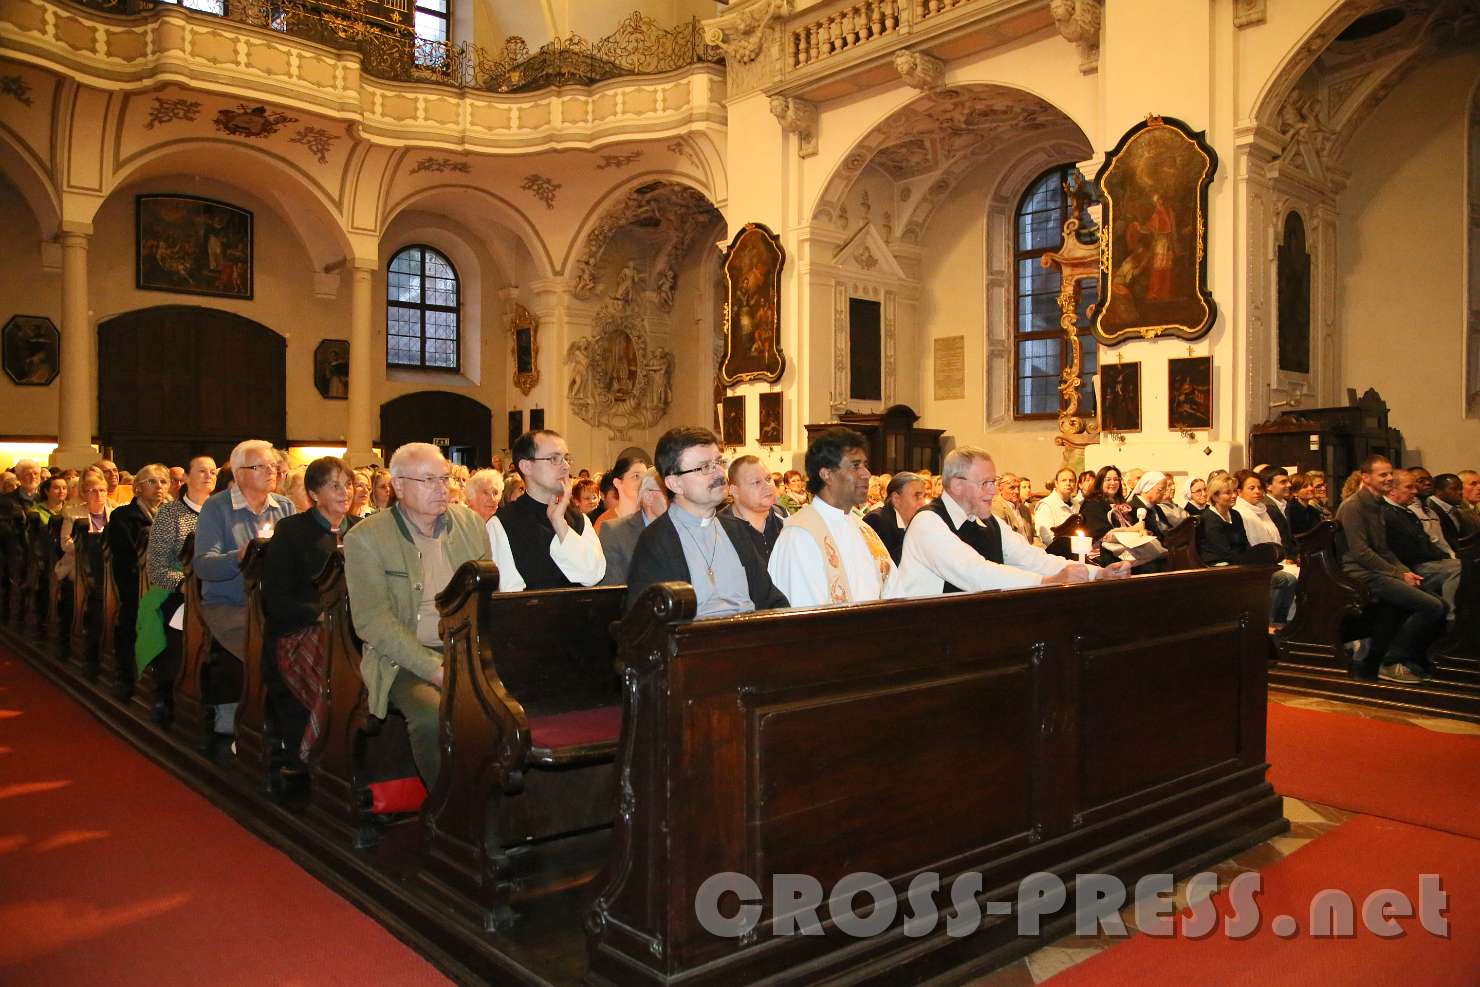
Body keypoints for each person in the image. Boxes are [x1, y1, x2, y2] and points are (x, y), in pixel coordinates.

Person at [344, 443, 490, 789]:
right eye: (428, 480)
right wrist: (434, 669)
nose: (441, 488)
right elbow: (372, 620)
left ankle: (502, 802)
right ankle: (452, 808)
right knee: (433, 715)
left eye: (444, 478)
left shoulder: (469, 523)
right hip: (403, 660)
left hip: (466, 650)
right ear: (398, 486)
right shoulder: (366, 538)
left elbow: (487, 599)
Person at [889, 447, 1123, 599]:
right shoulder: (928, 523)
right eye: (985, 483)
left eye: (994, 482)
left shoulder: (990, 523)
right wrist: (1045, 583)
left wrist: (1098, 574)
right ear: (957, 484)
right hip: (929, 638)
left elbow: (1033, 559)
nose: (993, 491)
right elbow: (974, 573)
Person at [194, 438, 296, 737]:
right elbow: (203, 564)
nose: (271, 472)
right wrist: (238, 557)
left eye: (273, 466)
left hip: (274, 603)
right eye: (260, 466)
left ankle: (295, 722)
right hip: (229, 603)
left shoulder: (285, 506)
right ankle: (246, 719)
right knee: (265, 646)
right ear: (239, 474)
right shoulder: (217, 507)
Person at [625, 428, 788, 616]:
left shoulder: (736, 530)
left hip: (750, 639)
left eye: (718, 462)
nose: (719, 473)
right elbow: (647, 624)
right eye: (704, 467)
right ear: (674, 483)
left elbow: (771, 600)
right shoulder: (656, 541)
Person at [262, 457, 359, 768]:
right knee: (332, 669)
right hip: (302, 630)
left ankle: (363, 758)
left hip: (357, 629)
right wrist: (322, 615)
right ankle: (314, 757)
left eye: (349, 484)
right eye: (335, 486)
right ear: (314, 494)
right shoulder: (292, 531)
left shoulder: (363, 530)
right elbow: (276, 599)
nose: (346, 492)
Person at [1335, 455, 1447, 684]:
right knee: (1432, 606)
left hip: (1378, 570)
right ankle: (1391, 660)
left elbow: (1384, 550)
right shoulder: (1354, 506)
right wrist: (1397, 574)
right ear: (1366, 478)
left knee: (1439, 603)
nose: (1388, 478)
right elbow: (1360, 552)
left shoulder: (1377, 505)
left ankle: (1407, 658)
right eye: (1382, 474)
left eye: (1390, 474)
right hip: (1360, 572)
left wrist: (1405, 572)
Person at [768, 428, 894, 606]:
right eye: (855, 465)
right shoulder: (799, 536)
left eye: (865, 465)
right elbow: (804, 615)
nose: (866, 474)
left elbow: (895, 591)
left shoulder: (864, 530)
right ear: (826, 474)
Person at [489, 430, 606, 591]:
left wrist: (560, 524)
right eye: (554, 459)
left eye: (566, 458)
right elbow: (509, 595)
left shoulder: (579, 519)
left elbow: (594, 575)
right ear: (526, 466)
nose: (565, 466)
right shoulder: (502, 524)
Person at [1198, 473, 1297, 625]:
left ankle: (1279, 621)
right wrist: (1250, 563)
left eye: (1234, 492)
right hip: (1219, 567)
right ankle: (1263, 623)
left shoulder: (1235, 515)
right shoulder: (1209, 518)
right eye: (1227, 493)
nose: (1233, 496)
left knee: (1287, 579)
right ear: (1215, 496)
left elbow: (1244, 543)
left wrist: (1255, 559)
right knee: (1274, 580)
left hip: (1239, 563)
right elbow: (1224, 551)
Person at [1384, 468, 1460, 616]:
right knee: (1458, 568)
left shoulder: (1406, 512)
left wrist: (1442, 556)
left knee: (1470, 564)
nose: (1414, 491)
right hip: (1409, 568)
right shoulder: (1386, 513)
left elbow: (1425, 542)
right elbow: (1404, 550)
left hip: (1425, 562)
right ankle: (1452, 618)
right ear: (1392, 490)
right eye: (1409, 487)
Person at [146, 456, 217, 595]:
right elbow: (157, 569)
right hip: (180, 593)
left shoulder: (223, 511)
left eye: (213, 472)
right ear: (186, 477)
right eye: (202, 471)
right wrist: (190, 585)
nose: (209, 476)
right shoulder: (169, 513)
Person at [598, 467, 668, 585]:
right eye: (669, 493)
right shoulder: (615, 533)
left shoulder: (684, 530)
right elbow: (614, 594)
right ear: (648, 497)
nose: (677, 498)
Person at [724, 455, 787, 564]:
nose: (767, 486)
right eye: (756, 482)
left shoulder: (783, 517)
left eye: (768, 479)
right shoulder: (721, 529)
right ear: (734, 490)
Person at [863, 471, 928, 565]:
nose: (923, 503)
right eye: (917, 496)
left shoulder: (920, 522)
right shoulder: (876, 521)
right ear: (896, 499)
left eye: (924, 496)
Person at [1232, 471, 1286, 557]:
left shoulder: (1263, 510)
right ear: (1239, 491)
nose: (1257, 491)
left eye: (1260, 488)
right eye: (1251, 488)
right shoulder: (1237, 512)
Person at [1257, 466, 1297, 559]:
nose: (1289, 485)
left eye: (1288, 481)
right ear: (1268, 486)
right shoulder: (1265, 507)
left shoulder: (1286, 505)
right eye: (1283, 482)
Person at [1033, 467, 1079, 547]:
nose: (1068, 483)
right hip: (1055, 552)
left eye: (1071, 480)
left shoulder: (1077, 504)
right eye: (1063, 480)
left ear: (1075, 484)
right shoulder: (1046, 505)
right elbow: (1047, 537)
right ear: (1056, 483)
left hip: (1076, 549)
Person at [1428, 472, 1478, 545]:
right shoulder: (1430, 509)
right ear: (1438, 491)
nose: (1460, 492)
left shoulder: (1456, 511)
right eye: (1454, 489)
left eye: (1461, 488)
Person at [990, 471, 1035, 544]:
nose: (1017, 491)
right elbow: (1004, 540)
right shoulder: (996, 507)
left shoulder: (1025, 509)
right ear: (1000, 489)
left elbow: (1033, 537)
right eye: (1012, 488)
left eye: (1018, 487)